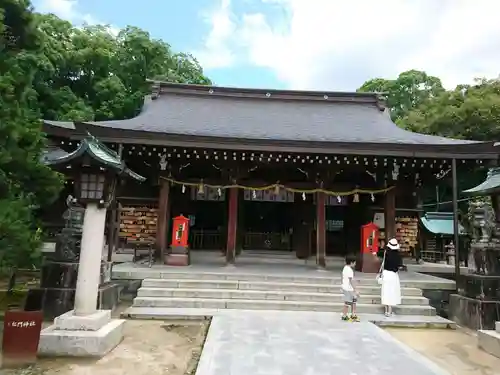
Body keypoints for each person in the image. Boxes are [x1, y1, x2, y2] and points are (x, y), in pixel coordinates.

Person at [380, 238, 402, 317]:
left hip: (386, 274)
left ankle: (386, 310)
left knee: (385, 291)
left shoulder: (386, 253)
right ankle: (390, 311)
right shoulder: (398, 255)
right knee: (392, 292)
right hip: (393, 275)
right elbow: (399, 267)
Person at [341, 254, 360, 322]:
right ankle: (345, 316)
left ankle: (352, 315)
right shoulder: (349, 270)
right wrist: (356, 290)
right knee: (348, 303)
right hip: (349, 289)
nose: (355, 264)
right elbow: (351, 280)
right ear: (351, 262)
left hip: (346, 287)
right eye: (355, 262)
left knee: (352, 301)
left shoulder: (345, 268)